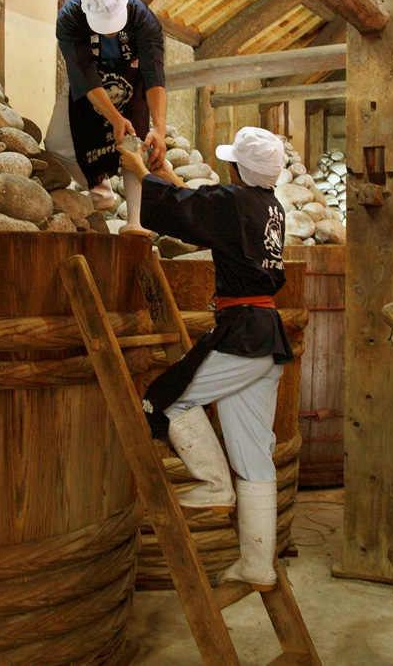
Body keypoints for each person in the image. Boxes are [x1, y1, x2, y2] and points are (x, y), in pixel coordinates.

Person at [119, 127, 292, 590]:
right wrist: (165, 176)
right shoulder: (269, 206)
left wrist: (139, 173)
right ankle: (258, 565)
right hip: (266, 335)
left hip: (242, 333)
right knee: (255, 456)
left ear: (237, 169)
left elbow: (193, 213)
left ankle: (214, 485)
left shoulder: (233, 202)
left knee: (165, 399)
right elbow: (201, 209)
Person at [47, 0, 167, 233]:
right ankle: (99, 189)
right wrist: (114, 118)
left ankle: (136, 220)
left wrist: (159, 127)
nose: (110, 30)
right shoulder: (70, 18)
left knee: (135, 141)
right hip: (89, 85)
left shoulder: (143, 18)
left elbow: (154, 73)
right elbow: (84, 76)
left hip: (133, 79)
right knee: (56, 142)